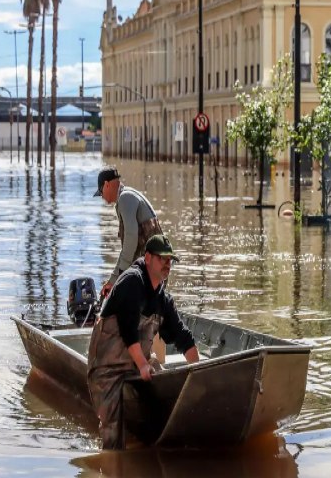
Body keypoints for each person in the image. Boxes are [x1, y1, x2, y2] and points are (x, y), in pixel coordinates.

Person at [87, 233, 200, 450]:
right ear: (147, 258)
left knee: (163, 387)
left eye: (170, 260)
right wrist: (143, 365)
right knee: (113, 430)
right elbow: (129, 331)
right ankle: (112, 466)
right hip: (107, 368)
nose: (168, 264)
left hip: (136, 365)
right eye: (162, 259)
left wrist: (198, 374)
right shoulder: (132, 281)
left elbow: (182, 336)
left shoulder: (163, 299)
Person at [93, 165, 163, 297]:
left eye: (101, 192)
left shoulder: (125, 199)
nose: (102, 197)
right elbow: (128, 249)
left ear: (107, 184)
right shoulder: (128, 196)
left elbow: (130, 241)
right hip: (154, 267)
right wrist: (114, 279)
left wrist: (117, 278)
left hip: (152, 269)